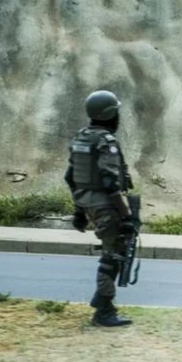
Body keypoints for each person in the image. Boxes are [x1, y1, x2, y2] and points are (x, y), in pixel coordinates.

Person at [64, 90, 135, 327]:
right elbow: (109, 182)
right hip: (106, 207)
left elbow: (71, 177)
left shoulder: (81, 138)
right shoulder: (106, 141)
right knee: (113, 255)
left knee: (112, 253)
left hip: (87, 203)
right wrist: (126, 215)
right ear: (111, 114)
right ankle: (103, 310)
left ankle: (103, 301)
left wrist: (78, 211)